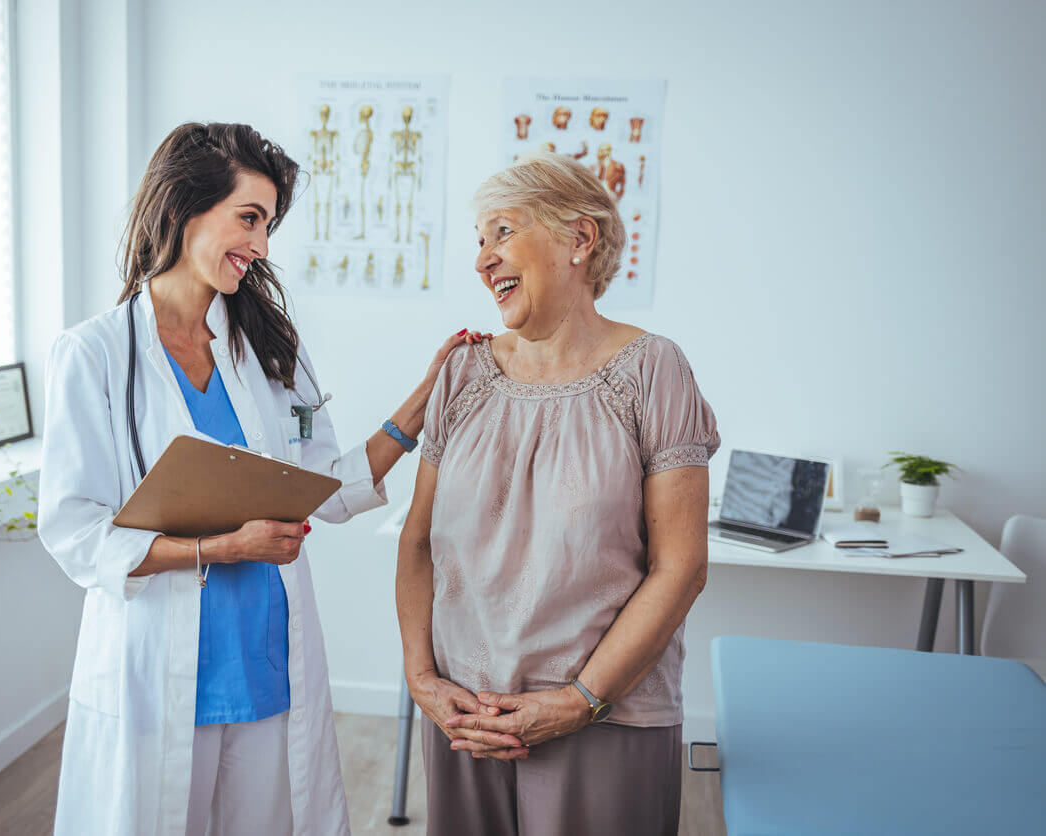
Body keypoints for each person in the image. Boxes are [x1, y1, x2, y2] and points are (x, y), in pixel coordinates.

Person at [38, 121, 484, 836]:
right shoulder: (93, 355)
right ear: (185, 208)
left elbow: (327, 489)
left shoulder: (266, 347)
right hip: (156, 671)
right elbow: (74, 530)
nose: (263, 246)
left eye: (268, 224)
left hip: (266, 660)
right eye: (249, 218)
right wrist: (221, 548)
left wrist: (421, 401)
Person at [396, 152, 720, 835]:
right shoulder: (461, 372)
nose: (483, 260)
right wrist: (423, 679)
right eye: (478, 241)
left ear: (579, 239)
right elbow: (418, 541)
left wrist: (579, 700)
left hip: (604, 717)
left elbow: (680, 567)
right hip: (465, 717)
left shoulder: (653, 370)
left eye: (502, 232)